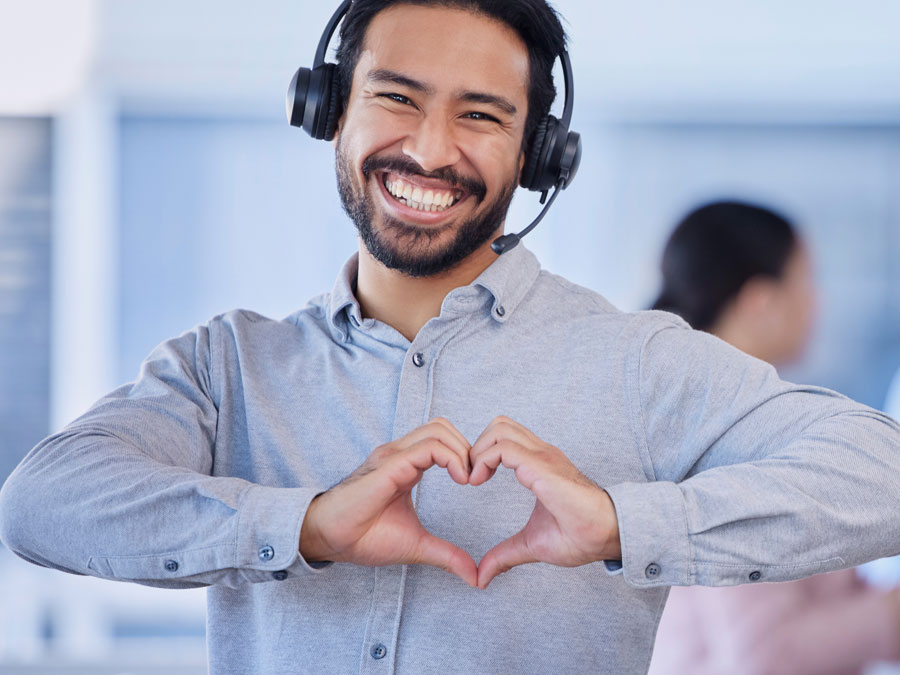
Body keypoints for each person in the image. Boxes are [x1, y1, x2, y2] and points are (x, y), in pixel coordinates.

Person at [1, 3, 900, 674]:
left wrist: (627, 521)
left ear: (538, 154)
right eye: (396, 98)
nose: (430, 151)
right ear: (330, 111)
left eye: (481, 114)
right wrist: (302, 525)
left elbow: (883, 473)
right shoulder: (229, 366)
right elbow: (39, 504)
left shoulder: (639, 362)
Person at [648, 201, 900, 675]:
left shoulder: (696, 413)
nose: (817, 302)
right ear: (760, 301)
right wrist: (887, 618)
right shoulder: (732, 439)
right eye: (806, 281)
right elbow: (760, 656)